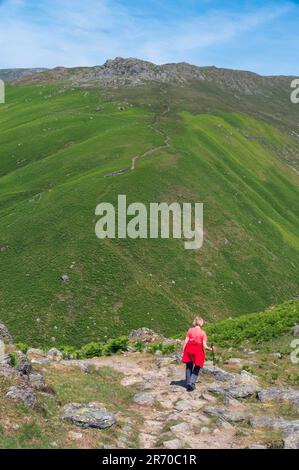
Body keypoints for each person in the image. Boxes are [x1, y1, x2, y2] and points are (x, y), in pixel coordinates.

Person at [181, 316, 214, 391]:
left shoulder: (190, 330)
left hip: (189, 349)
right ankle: (191, 383)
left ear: (194, 322)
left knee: (188, 366)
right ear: (201, 323)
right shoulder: (203, 333)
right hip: (198, 350)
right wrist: (211, 349)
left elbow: (185, 342)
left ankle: (188, 382)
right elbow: (204, 346)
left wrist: (183, 352)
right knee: (197, 366)